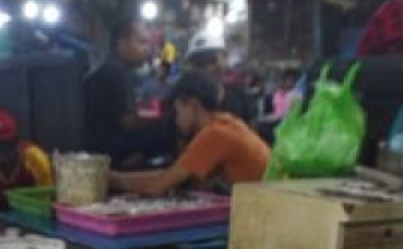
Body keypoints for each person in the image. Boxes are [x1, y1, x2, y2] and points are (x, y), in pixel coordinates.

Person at [110, 70, 270, 197]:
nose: (176, 117)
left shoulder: (215, 134)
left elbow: (159, 184)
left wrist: (113, 179)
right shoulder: (227, 123)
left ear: (193, 105)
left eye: (178, 109)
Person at [85, 17, 167, 164]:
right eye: (141, 42)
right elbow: (128, 121)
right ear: (121, 42)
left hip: (102, 143)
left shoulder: (113, 68)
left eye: (147, 43)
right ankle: (129, 165)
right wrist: (163, 117)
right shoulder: (117, 72)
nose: (147, 49)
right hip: (109, 148)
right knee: (168, 128)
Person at [184, 34, 253, 121]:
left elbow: (251, 130)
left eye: (212, 60)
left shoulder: (239, 95)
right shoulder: (185, 102)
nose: (208, 68)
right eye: (199, 64)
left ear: (225, 58)